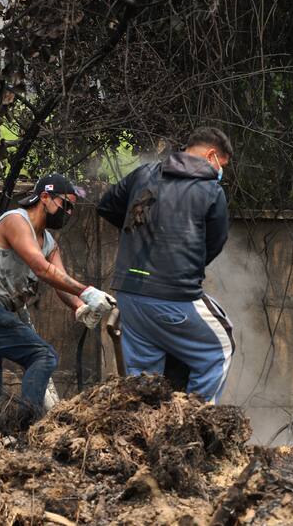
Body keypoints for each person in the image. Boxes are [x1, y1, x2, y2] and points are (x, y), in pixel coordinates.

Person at [0, 174, 116, 424]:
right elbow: (40, 268)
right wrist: (88, 291)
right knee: (42, 355)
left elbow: (59, 279)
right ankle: (27, 426)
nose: (68, 212)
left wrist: (80, 307)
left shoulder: (49, 243)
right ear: (45, 197)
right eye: (65, 204)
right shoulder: (16, 220)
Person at [97, 126, 235, 404]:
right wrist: (182, 264)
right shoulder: (210, 190)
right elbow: (215, 243)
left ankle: (143, 436)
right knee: (219, 347)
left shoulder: (144, 174)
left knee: (143, 383)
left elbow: (107, 205)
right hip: (175, 296)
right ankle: (197, 423)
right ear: (211, 155)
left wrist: (139, 236)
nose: (221, 172)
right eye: (222, 165)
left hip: (129, 294)